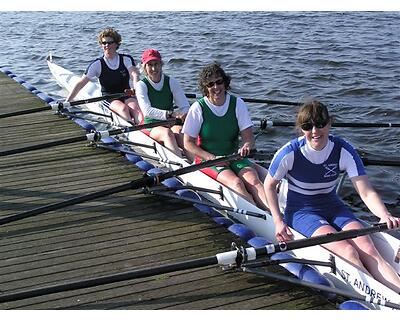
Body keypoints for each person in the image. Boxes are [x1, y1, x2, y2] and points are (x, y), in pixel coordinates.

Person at [264, 100, 400, 292]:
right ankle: (380, 297)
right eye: (307, 126)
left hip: (333, 206)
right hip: (301, 212)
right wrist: (278, 221)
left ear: (329, 123)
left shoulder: (343, 150)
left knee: (369, 249)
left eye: (320, 124)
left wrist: (384, 215)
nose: (314, 131)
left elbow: (366, 191)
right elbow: (269, 185)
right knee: (348, 251)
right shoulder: (289, 153)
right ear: (301, 128)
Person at [182, 63, 268, 210]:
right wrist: (211, 158)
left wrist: (247, 146)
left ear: (225, 82)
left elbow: (249, 138)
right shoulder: (198, 108)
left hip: (233, 156)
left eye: (219, 82)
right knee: (237, 183)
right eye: (210, 84)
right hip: (207, 160)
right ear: (205, 88)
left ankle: (275, 215)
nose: (216, 87)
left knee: (254, 181)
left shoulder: (237, 104)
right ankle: (262, 218)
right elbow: (188, 143)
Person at [66, 27, 143, 125]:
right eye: (104, 43)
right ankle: (132, 127)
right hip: (108, 97)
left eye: (110, 42)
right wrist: (67, 102)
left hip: (126, 94)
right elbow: (81, 84)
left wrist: (136, 89)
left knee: (136, 108)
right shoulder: (97, 64)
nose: (107, 45)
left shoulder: (126, 59)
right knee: (123, 109)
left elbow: (134, 75)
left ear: (116, 44)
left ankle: (142, 128)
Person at [135, 49, 190, 158]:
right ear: (144, 67)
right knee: (167, 134)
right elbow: (147, 111)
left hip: (171, 123)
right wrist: (171, 114)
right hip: (152, 125)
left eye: (156, 64)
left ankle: (197, 165)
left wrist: (184, 114)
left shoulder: (171, 82)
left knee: (181, 134)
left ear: (161, 64)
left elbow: (185, 106)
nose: (154, 68)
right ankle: (180, 165)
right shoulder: (141, 85)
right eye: (150, 65)